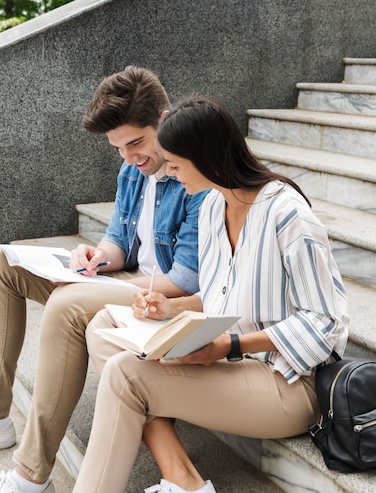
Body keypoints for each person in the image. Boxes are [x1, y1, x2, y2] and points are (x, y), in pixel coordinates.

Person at [74, 96, 349, 493]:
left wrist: (230, 345)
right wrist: (171, 306)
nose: (167, 172)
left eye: (175, 164)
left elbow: (325, 322)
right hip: (236, 364)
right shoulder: (211, 209)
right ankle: (184, 481)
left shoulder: (286, 214)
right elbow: (223, 294)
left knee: (124, 374)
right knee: (103, 324)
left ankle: (181, 482)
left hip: (288, 382)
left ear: (204, 157)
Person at [0, 67, 207, 493]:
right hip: (128, 283)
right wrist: (98, 258)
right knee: (2, 264)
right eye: (118, 148)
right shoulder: (133, 170)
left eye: (136, 143)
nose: (129, 157)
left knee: (67, 304)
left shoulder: (195, 175)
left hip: (165, 301)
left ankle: (29, 477)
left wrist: (99, 288)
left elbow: (185, 278)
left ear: (164, 120)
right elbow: (119, 240)